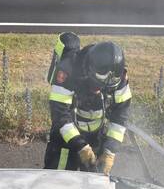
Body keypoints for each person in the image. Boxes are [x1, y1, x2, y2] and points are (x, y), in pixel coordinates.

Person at [44, 33, 131, 176]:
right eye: (96, 85)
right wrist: (81, 147)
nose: (97, 90)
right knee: (57, 181)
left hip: (96, 136)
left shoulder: (120, 76)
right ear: (89, 69)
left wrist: (109, 151)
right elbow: (60, 115)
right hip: (65, 137)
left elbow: (120, 116)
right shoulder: (68, 70)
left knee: (95, 182)